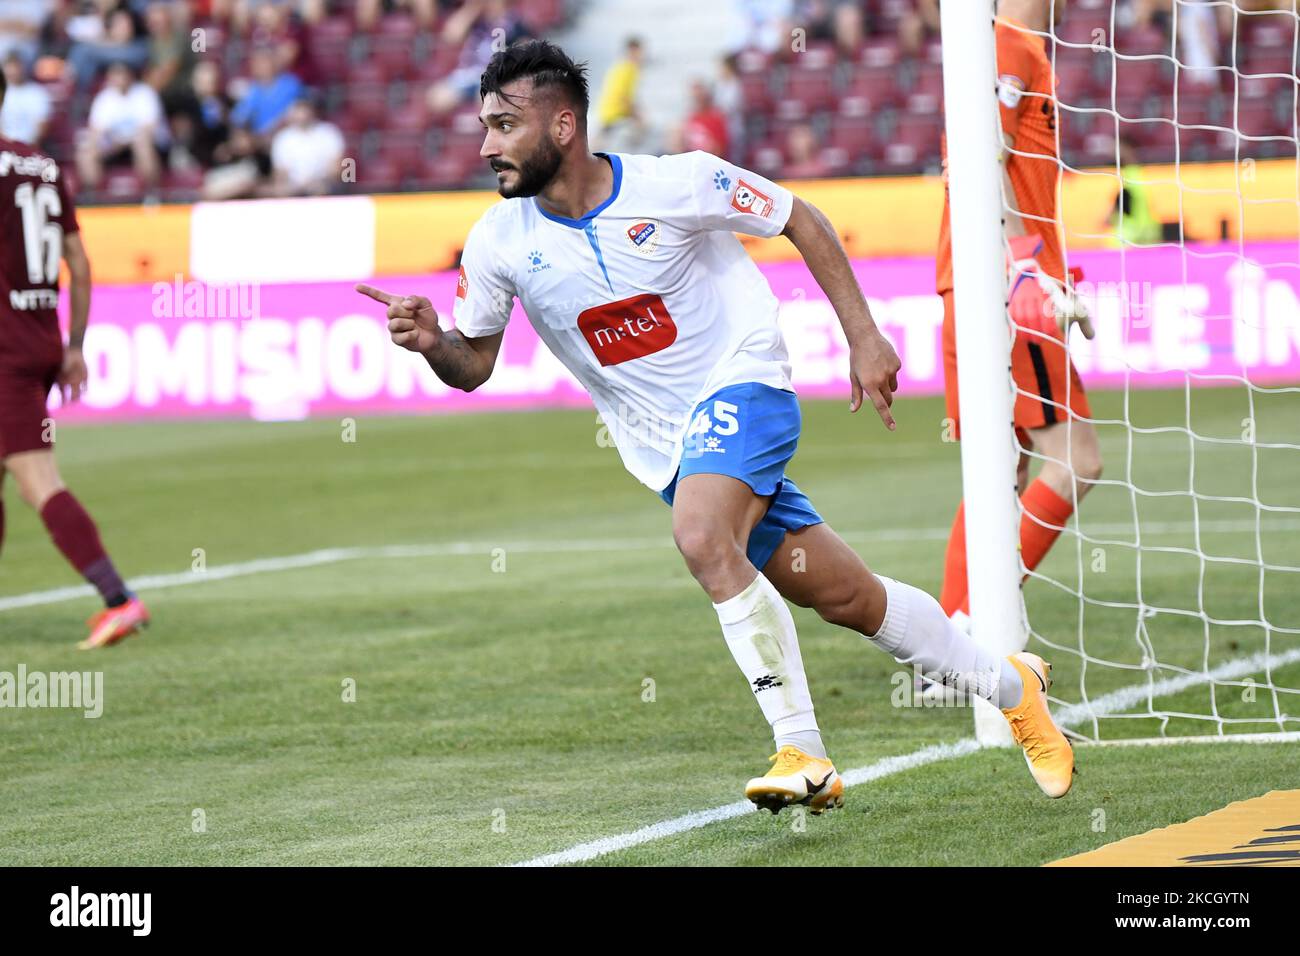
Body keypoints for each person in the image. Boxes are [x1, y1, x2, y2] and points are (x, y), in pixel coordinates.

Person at [357, 39, 1076, 810]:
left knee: (702, 537)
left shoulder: (679, 182)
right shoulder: (500, 242)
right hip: (668, 447)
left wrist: (863, 335)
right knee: (845, 597)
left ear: (562, 127)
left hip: (745, 379)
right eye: (484, 127)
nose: (486, 145)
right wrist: (435, 343)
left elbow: (798, 216)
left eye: (504, 125)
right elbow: (476, 365)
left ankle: (803, 748)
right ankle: (1013, 688)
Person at [935, 0, 1103, 624]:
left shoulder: (1002, 45)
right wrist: (1026, 266)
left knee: (1000, 472)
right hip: (1007, 287)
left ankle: (949, 645)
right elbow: (977, 164)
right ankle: (972, 625)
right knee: (1075, 462)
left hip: (983, 282)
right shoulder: (1006, 43)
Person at [0, 67, 150, 648]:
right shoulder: (41, 166)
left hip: (5, 348)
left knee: (39, 480)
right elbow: (80, 266)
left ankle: (119, 599)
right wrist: (74, 345)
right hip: (38, 339)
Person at [76, 59, 167, 192]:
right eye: (115, 75)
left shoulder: (145, 93)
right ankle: (95, 197)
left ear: (130, 76)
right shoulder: (104, 98)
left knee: (142, 143)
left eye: (122, 74)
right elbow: (96, 130)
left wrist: (123, 141)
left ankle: (152, 193)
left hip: (149, 145)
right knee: (86, 151)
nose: (119, 78)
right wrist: (101, 144)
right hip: (115, 146)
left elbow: (149, 128)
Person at [269, 94, 342, 196]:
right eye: (299, 111)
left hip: (323, 183)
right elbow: (280, 172)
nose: (302, 115)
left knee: (319, 189)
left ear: (313, 111)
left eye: (305, 110)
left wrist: (317, 182)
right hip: (293, 186)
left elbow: (336, 168)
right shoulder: (283, 138)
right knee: (279, 191)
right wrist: (291, 186)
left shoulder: (329, 132)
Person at [0, 50, 51, 144]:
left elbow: (42, 126)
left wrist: (25, 148)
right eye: (10, 67)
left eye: (16, 67)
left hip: (29, 146)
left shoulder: (37, 93)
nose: (13, 71)